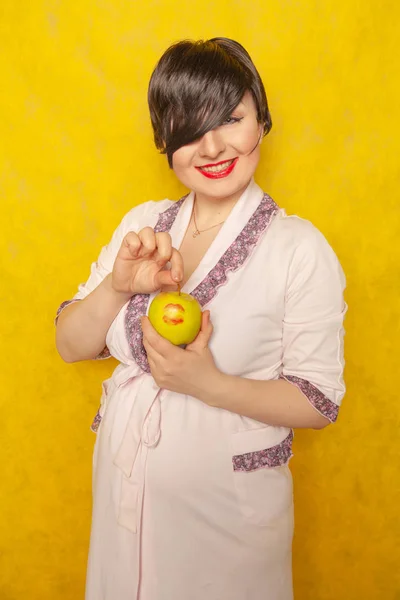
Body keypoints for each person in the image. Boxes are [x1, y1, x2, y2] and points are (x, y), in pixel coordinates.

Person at [55, 37, 347, 600]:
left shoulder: (298, 247)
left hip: (226, 518)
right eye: (189, 127)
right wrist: (118, 286)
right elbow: (70, 344)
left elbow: (319, 401)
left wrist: (207, 385)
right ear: (165, 140)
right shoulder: (142, 225)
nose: (211, 146)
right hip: (125, 494)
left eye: (231, 118)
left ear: (261, 120)